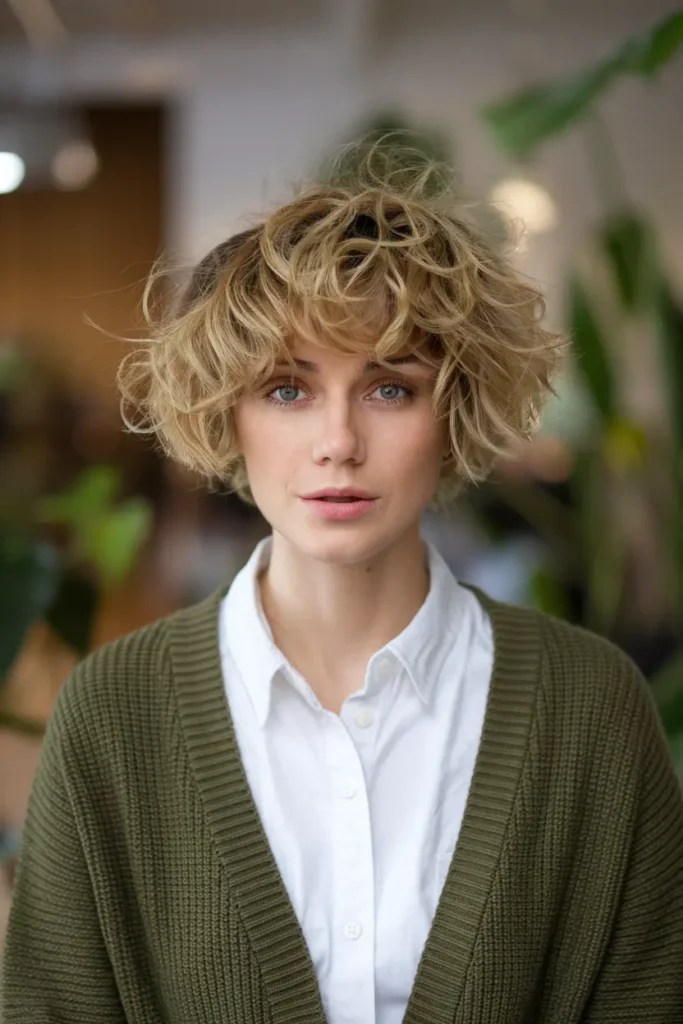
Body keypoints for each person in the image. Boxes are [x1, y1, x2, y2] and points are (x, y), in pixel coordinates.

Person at [3, 151, 683, 1024]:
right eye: (286, 389)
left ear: (454, 412)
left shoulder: (588, 706)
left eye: (390, 389)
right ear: (228, 413)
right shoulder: (112, 712)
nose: (337, 441)